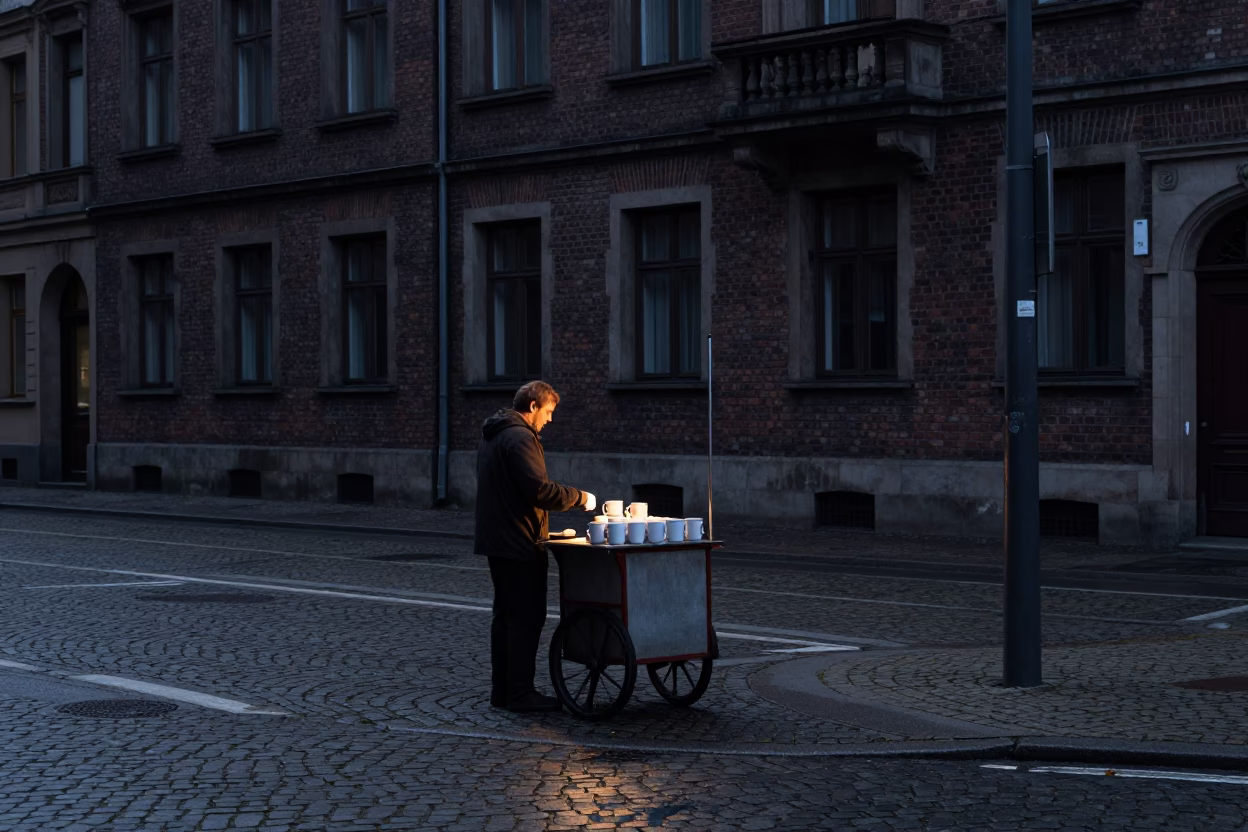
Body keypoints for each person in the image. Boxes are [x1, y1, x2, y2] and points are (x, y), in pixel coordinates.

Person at [474, 381, 596, 712]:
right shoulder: (520, 438)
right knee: (526, 617)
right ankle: (519, 693)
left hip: (498, 539)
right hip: (518, 542)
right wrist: (579, 498)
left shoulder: (496, 434)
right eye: (548, 412)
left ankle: (503, 691)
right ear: (532, 407)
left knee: (505, 618)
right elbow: (539, 491)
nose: (550, 420)